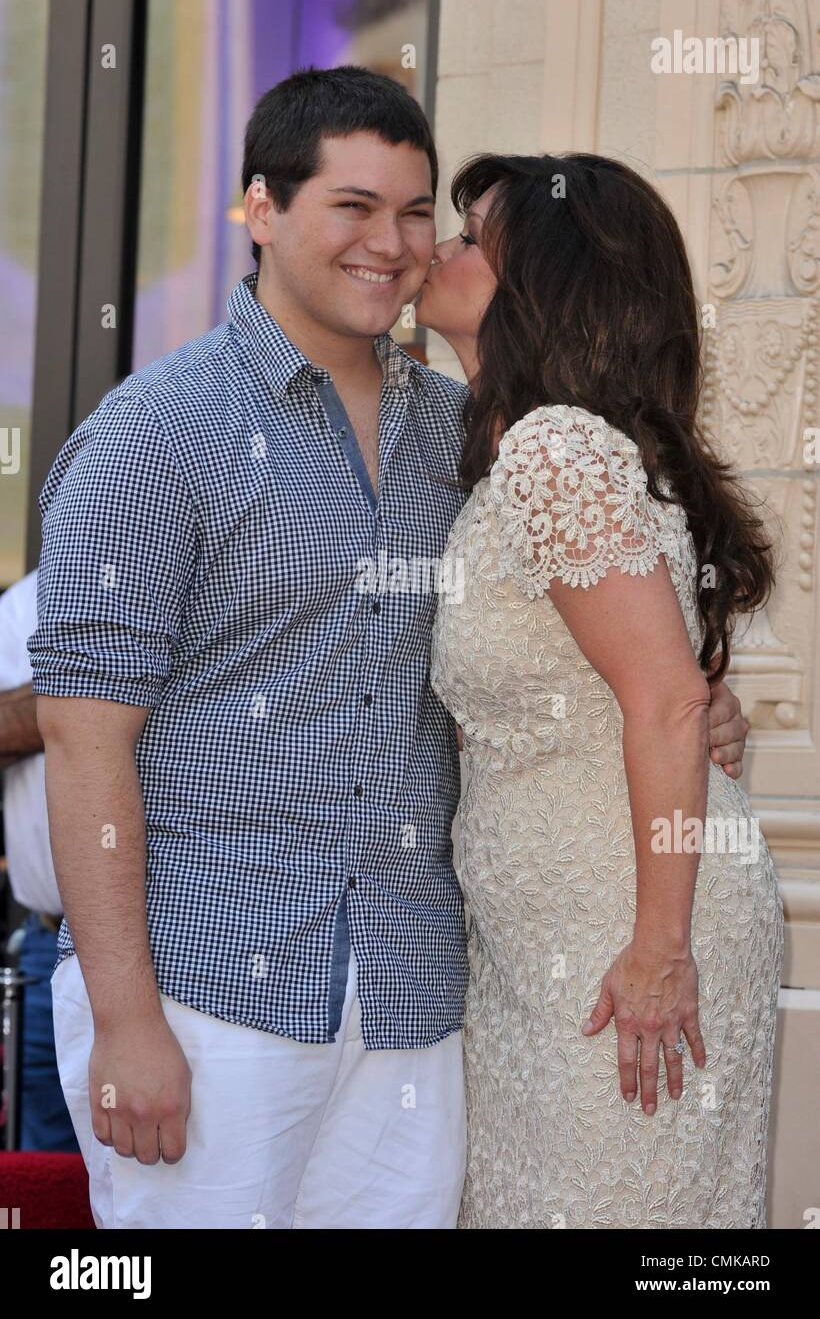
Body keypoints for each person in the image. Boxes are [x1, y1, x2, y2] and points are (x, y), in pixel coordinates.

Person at [27, 67, 750, 1229]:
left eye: (418, 212)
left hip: (419, 992)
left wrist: (687, 706)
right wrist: (123, 1015)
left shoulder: (461, 433)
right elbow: (82, 734)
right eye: (352, 207)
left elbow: (548, 655)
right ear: (261, 211)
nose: (396, 242)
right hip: (213, 989)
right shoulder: (153, 436)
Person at [416, 150, 785, 1228]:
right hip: (537, 951)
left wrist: (660, 950)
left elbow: (666, 700)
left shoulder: (555, 451)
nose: (434, 248)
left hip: (630, 943)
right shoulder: (511, 450)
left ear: (540, 277)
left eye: (468, 235)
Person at [0, 570, 79, 1152]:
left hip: (171, 941)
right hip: (44, 941)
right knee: (41, 1167)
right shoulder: (20, 605)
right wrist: (90, 690)